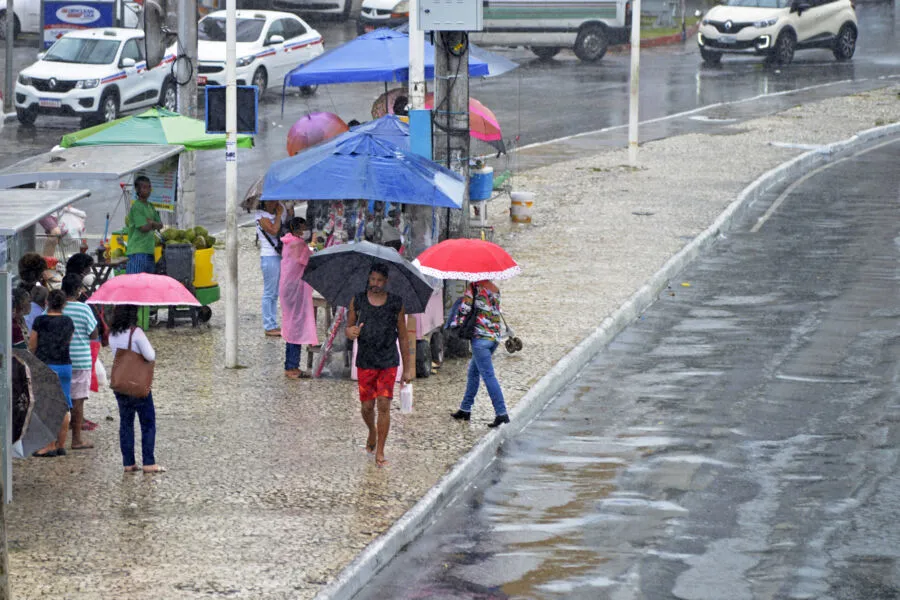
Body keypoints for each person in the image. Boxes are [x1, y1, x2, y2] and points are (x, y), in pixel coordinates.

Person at [345, 264, 412, 467]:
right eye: (372, 279)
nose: (375, 284)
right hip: (365, 360)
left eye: (379, 280)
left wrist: (407, 368)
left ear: (386, 281)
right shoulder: (358, 301)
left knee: (384, 404)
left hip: (388, 360)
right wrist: (351, 332)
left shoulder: (395, 303)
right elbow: (348, 328)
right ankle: (372, 431)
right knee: (367, 406)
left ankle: (380, 451)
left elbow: (403, 335)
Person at [108, 304, 165, 474]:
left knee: (126, 423)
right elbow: (150, 356)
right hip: (137, 385)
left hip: (121, 384)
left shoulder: (112, 333)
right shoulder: (136, 333)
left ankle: (128, 463)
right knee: (147, 422)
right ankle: (148, 462)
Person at [450, 281, 510, 428]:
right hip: (494, 338)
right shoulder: (495, 288)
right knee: (473, 372)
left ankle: (501, 413)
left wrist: (454, 322)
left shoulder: (474, 287)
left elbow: (464, 309)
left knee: (488, 375)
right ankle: (465, 409)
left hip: (480, 339)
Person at [28, 290, 74, 457]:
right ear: (64, 304)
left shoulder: (40, 321)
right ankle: (61, 445)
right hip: (65, 366)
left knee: (46, 406)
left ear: (47, 302)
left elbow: (33, 344)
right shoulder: (68, 321)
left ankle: (49, 445)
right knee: (63, 406)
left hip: (45, 365)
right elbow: (68, 341)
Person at [62, 273, 98, 450]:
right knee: (78, 401)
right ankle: (76, 439)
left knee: (59, 399)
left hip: (60, 359)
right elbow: (94, 334)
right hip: (81, 360)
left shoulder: (55, 307)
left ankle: (56, 439)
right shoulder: (84, 309)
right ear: (77, 290)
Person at [279, 217, 318, 379]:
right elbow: (306, 259)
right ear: (296, 229)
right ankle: (291, 367)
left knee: (292, 326)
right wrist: (313, 243)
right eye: (303, 228)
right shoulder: (297, 244)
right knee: (295, 327)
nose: (306, 230)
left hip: (289, 289)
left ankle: (292, 364)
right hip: (294, 291)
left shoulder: (288, 241)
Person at [257, 200, 286, 336]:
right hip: (269, 256)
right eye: (272, 200)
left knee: (275, 292)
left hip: (278, 255)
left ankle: (273, 323)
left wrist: (287, 210)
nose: (275, 203)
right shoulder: (261, 216)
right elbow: (274, 231)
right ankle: (269, 325)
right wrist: (279, 215)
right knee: (269, 292)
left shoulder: (278, 212)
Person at [125, 175, 163, 275]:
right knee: (134, 284)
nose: (148, 190)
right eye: (145, 187)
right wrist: (152, 224)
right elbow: (144, 228)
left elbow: (160, 225)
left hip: (149, 251)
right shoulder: (137, 206)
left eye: (149, 187)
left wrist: (152, 223)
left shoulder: (150, 206)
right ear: (138, 190)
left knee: (148, 284)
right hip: (137, 252)